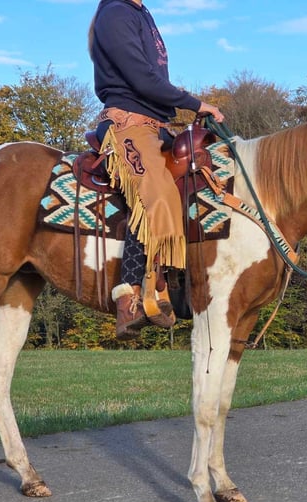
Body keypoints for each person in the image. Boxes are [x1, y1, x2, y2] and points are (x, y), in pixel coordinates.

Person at [88, 0, 224, 340]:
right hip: (126, 123)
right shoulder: (115, 12)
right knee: (157, 193)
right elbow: (141, 77)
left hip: (156, 125)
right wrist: (195, 102)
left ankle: (176, 281)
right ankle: (130, 295)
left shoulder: (141, 12)